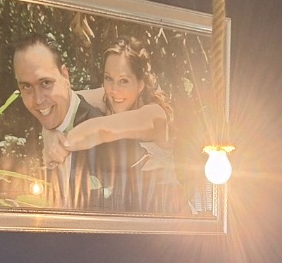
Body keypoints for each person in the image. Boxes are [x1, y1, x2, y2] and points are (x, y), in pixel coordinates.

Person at [45, 38, 185, 214]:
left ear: (140, 84)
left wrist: (63, 144)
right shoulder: (108, 96)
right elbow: (59, 105)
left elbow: (103, 130)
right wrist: (50, 135)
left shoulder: (154, 115)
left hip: (170, 217)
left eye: (124, 81)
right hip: (133, 214)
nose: (114, 90)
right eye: (108, 78)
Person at [10, 34, 113, 210]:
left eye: (45, 83)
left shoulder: (105, 138)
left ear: (65, 75)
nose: (38, 100)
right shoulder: (32, 133)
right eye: (26, 86)